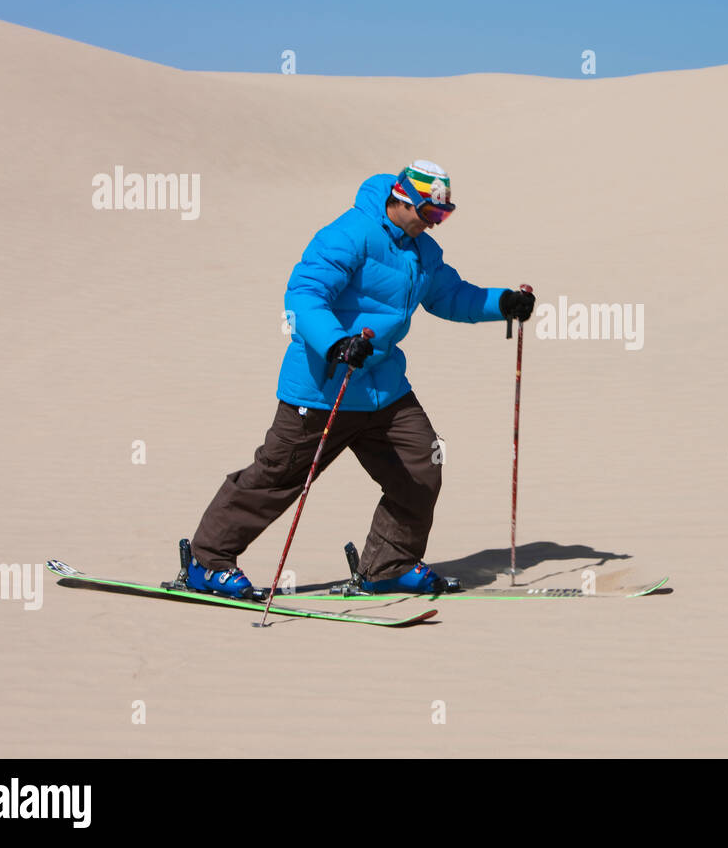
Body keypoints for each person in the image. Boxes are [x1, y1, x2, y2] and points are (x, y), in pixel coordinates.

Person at [185, 160, 535, 595]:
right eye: (431, 213)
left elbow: (450, 295)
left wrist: (502, 303)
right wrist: (336, 343)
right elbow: (304, 294)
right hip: (324, 386)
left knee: (422, 468)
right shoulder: (349, 234)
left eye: (444, 216)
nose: (435, 224)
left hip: (384, 391)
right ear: (402, 199)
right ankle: (206, 561)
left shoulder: (423, 251)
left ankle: (388, 565)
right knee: (275, 478)